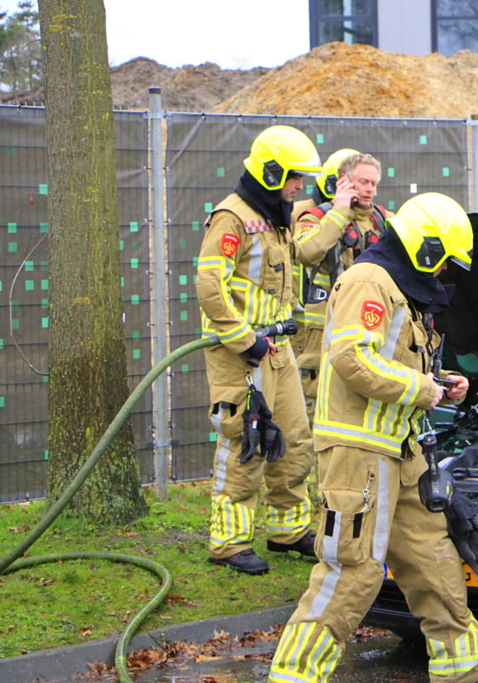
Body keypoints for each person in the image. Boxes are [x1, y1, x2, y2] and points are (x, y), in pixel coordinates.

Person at [269, 193, 478, 683]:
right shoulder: (369, 281)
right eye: (442, 261)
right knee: (352, 570)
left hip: (401, 451)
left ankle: (463, 670)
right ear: (425, 249)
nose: (442, 273)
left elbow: (391, 362)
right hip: (359, 455)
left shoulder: (399, 288)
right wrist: (423, 389)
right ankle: (294, 676)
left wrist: (441, 383)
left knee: (432, 559)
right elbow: (353, 359)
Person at [195, 125, 320, 575]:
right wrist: (245, 340)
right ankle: (229, 543)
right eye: (294, 177)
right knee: (244, 442)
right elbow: (210, 286)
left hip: (278, 349)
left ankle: (289, 530)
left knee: (295, 440)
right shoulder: (231, 218)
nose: (299, 187)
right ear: (270, 174)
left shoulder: (275, 215)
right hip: (242, 353)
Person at [291, 152, 391, 425]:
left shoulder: (382, 220)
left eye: (374, 183)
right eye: (363, 182)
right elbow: (306, 251)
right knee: (318, 413)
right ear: (344, 182)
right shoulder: (316, 217)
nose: (370, 189)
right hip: (324, 331)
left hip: (368, 326)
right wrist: (340, 210)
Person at [288, 147, 362, 424]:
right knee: (309, 406)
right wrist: (339, 211)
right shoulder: (304, 214)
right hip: (304, 325)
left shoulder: (370, 218)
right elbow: (309, 252)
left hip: (346, 322)